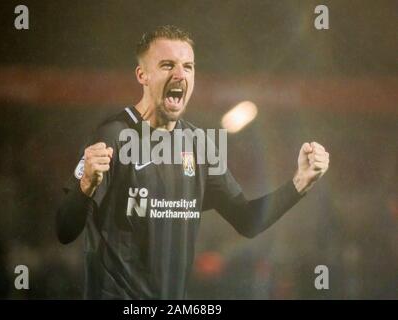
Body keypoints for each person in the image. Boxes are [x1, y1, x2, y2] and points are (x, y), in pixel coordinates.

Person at [56, 25, 330, 299]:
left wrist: (300, 182)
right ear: (143, 75)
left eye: (188, 66)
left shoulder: (198, 145)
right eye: (167, 65)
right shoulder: (112, 136)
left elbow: (247, 221)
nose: (179, 74)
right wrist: (86, 185)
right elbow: (65, 230)